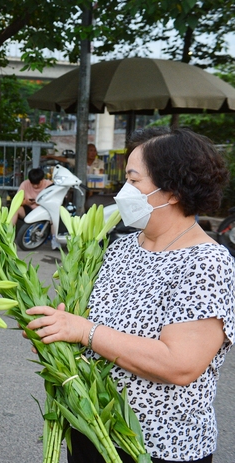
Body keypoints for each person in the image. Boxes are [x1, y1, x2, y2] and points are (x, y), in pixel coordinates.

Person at [26, 128, 234, 463]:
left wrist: (83, 331)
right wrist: (57, 327)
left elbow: (179, 364)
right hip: (92, 427)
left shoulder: (206, 262)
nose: (124, 192)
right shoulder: (122, 247)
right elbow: (92, 325)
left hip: (159, 446)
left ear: (174, 190)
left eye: (134, 181)